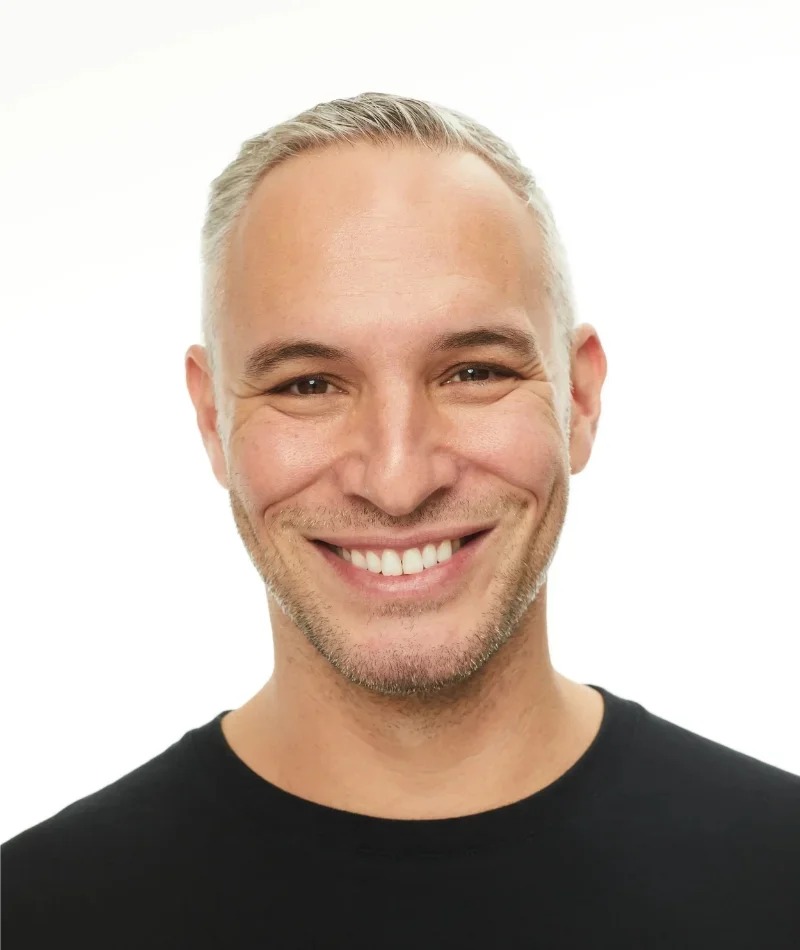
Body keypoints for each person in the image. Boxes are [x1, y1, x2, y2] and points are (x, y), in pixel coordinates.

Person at [2, 91, 799, 949]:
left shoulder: (779, 875)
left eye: (474, 372)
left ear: (578, 399)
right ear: (212, 421)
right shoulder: (37, 916)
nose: (397, 480)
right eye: (308, 385)